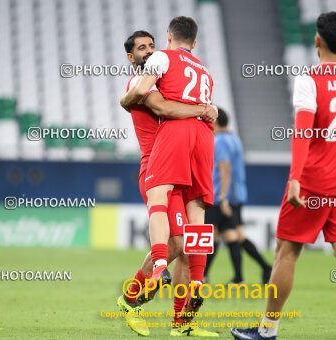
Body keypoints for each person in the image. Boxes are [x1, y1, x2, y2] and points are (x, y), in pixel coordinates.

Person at [231, 12, 336, 340]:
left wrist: (295, 177)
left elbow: (302, 132)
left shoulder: (311, 80)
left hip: (312, 182)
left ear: (316, 41)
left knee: (287, 253)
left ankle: (267, 330)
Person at [118, 30, 218, 337]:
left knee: (188, 249)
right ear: (131, 57)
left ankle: (181, 324)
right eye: (141, 48)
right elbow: (165, 110)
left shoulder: (166, 78)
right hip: (155, 165)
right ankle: (129, 300)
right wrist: (204, 110)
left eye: (151, 45)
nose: (148, 51)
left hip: (179, 165)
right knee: (176, 243)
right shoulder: (139, 84)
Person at [204, 108, 272, 284]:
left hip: (222, 196)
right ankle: (245, 274)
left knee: (212, 235)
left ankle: (203, 276)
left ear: (215, 122)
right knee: (231, 235)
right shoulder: (235, 139)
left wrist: (223, 197)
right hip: (237, 195)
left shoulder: (219, 141)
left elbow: (225, 169)